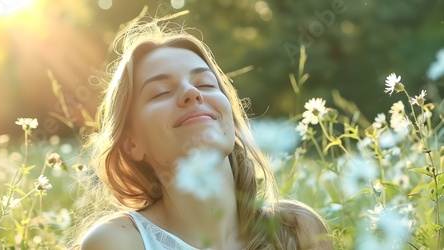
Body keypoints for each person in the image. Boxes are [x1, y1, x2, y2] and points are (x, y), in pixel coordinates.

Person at [68, 16, 333, 250]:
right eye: (161, 92)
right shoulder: (120, 242)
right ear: (132, 143)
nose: (191, 93)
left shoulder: (296, 232)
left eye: (205, 84)